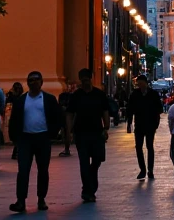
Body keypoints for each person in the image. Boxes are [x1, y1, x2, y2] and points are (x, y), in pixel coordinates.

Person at [7, 70, 60, 214]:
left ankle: (41, 198)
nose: (33, 82)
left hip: (43, 138)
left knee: (43, 170)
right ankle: (20, 201)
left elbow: (57, 117)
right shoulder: (21, 101)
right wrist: (14, 138)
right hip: (25, 139)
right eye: (30, 80)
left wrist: (52, 134)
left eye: (36, 79)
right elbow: (14, 119)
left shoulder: (49, 99)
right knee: (23, 170)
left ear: (41, 82)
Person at [66, 67, 111, 204]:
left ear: (91, 79)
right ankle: (88, 190)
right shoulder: (76, 96)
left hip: (97, 132)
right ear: (80, 80)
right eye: (83, 80)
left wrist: (106, 127)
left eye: (87, 79)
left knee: (97, 160)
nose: (85, 82)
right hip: (81, 133)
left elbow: (105, 111)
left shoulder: (99, 94)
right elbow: (70, 114)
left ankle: (91, 182)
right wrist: (69, 132)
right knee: (84, 162)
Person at [125, 73, 162, 181]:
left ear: (146, 83)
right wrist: (129, 123)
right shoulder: (135, 94)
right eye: (138, 84)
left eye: (141, 84)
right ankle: (142, 169)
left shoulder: (153, 94)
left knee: (150, 146)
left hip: (150, 125)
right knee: (138, 147)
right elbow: (130, 109)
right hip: (139, 124)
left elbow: (158, 109)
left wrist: (156, 124)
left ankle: (150, 169)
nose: (140, 86)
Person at [5, 82, 24, 160]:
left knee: (18, 137)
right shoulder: (13, 97)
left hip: (17, 118)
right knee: (17, 136)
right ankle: (16, 152)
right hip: (14, 118)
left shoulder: (14, 97)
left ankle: (16, 151)